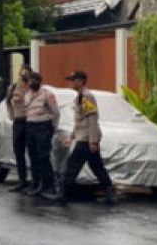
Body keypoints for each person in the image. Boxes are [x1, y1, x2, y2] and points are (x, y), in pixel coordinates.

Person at [49, 71, 116, 207]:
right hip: (83, 137)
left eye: (73, 80)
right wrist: (72, 136)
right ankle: (110, 193)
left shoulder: (86, 97)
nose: (72, 83)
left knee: (72, 165)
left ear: (80, 81)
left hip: (86, 139)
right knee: (97, 167)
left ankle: (63, 194)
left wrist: (93, 141)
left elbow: (92, 119)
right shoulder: (79, 97)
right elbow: (80, 121)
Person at [23, 71, 60, 197]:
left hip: (43, 126)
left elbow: (55, 113)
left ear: (39, 81)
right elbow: (26, 111)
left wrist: (52, 128)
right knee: (33, 157)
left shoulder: (47, 94)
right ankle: (35, 183)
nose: (31, 83)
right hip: (30, 126)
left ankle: (48, 185)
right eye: (30, 80)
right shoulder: (27, 95)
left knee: (43, 157)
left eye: (34, 80)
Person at [4, 65, 33, 192]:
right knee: (19, 152)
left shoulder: (34, 88)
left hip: (30, 122)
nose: (24, 75)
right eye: (22, 73)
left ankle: (35, 182)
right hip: (18, 122)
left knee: (33, 153)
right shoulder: (13, 87)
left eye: (27, 73)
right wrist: (12, 116)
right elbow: (7, 101)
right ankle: (22, 181)